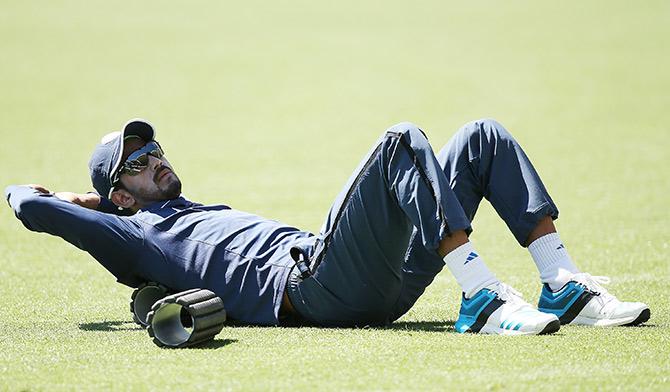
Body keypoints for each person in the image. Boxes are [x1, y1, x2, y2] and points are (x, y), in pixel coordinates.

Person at [5, 118, 650, 335]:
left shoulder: (192, 210)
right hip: (314, 290)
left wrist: (110, 194)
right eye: (137, 165)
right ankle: (479, 298)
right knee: (400, 140)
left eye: (155, 151)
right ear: (118, 194)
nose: (155, 161)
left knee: (479, 137)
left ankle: (560, 282)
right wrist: (85, 202)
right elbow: (28, 205)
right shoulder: (134, 235)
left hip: (358, 272)